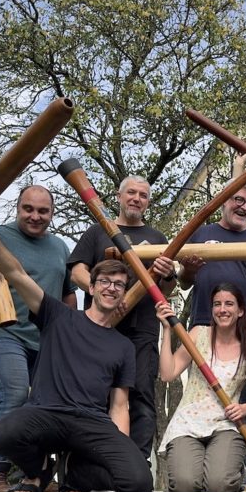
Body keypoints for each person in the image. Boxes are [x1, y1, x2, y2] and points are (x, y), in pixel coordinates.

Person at [0, 206, 152, 492]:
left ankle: (73, 472)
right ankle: (39, 469)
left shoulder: (123, 345)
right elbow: (15, 272)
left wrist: (121, 449)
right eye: (104, 282)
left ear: (122, 294)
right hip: (47, 415)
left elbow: (119, 406)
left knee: (139, 481)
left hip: (91, 423)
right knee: (4, 432)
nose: (111, 288)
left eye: (119, 284)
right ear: (90, 287)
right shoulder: (58, 316)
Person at [0, 184, 74, 492]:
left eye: (43, 211)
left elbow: (66, 295)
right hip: (0, 331)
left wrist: (67, 334)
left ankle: (34, 475)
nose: (35, 216)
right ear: (18, 208)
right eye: (28, 209)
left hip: (43, 339)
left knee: (43, 406)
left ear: (52, 213)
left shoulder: (60, 248)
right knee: (14, 394)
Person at [67, 175, 175, 464]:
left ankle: (136, 465)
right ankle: (93, 464)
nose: (136, 198)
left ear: (148, 202)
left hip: (142, 332)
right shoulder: (98, 232)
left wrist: (164, 274)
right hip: (101, 329)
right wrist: (103, 292)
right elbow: (76, 271)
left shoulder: (157, 239)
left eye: (142, 195)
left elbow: (166, 290)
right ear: (119, 195)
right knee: (95, 395)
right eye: (131, 193)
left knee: (140, 397)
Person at [179, 173, 246, 478]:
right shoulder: (201, 232)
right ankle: (212, 467)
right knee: (209, 396)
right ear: (224, 201)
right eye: (238, 200)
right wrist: (190, 270)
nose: (244, 206)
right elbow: (183, 281)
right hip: (205, 328)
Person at [155, 283, 246, 492]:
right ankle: (211, 469)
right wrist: (167, 330)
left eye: (229, 304)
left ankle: (228, 469)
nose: (222, 309)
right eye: (217, 304)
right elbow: (168, 374)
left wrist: (245, 408)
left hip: (225, 424)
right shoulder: (198, 334)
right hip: (188, 424)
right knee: (184, 486)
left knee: (220, 486)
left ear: (240, 310)